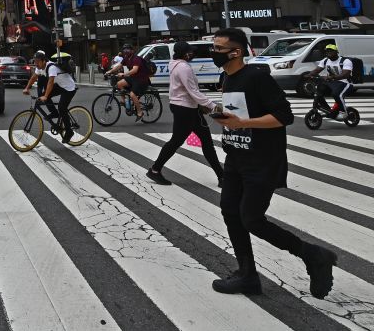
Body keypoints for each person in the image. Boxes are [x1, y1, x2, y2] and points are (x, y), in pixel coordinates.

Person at [208, 27, 337, 298]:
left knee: (251, 219)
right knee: (230, 213)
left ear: (236, 52)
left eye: (218, 48)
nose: (213, 52)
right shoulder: (226, 77)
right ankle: (247, 275)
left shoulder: (256, 77)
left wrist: (243, 123)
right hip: (236, 156)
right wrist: (222, 115)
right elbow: (239, 113)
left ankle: (312, 255)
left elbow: (284, 116)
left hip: (262, 159)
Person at [147, 42, 224, 186]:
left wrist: (200, 105)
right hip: (184, 109)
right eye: (190, 52)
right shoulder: (183, 67)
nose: (193, 54)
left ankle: (222, 176)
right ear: (185, 54)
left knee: (205, 141)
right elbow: (192, 91)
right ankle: (155, 170)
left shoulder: (176, 64)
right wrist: (212, 105)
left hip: (187, 107)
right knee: (177, 141)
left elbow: (189, 91)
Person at [22, 49, 77, 143]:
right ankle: (55, 113)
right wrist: (27, 88)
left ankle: (69, 132)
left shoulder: (51, 67)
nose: (36, 64)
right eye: (35, 62)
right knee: (43, 96)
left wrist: (46, 96)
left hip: (68, 87)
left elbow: (50, 82)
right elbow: (33, 77)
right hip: (60, 86)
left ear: (44, 61)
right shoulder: (39, 68)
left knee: (62, 108)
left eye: (38, 62)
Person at [108, 44, 150, 120]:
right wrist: (109, 71)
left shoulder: (136, 59)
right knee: (119, 84)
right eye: (124, 49)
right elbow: (119, 66)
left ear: (132, 51)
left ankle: (140, 112)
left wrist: (123, 74)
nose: (126, 51)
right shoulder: (126, 58)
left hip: (141, 80)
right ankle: (125, 102)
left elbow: (135, 70)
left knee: (132, 94)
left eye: (128, 49)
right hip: (133, 78)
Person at [308, 44, 353, 115]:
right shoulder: (325, 60)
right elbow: (317, 70)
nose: (328, 53)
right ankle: (327, 110)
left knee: (337, 95)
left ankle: (344, 112)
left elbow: (345, 74)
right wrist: (309, 75)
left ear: (336, 52)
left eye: (331, 51)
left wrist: (331, 77)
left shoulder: (345, 61)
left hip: (345, 83)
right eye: (327, 51)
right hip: (332, 83)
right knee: (318, 93)